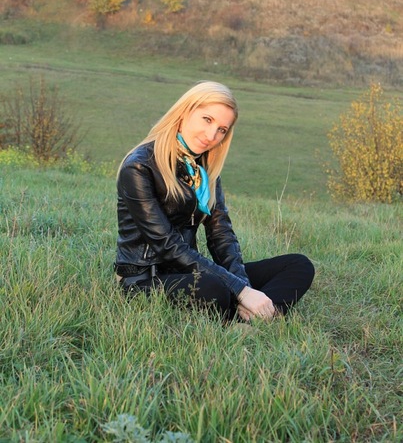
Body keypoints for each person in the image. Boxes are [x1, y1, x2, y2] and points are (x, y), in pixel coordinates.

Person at [115, 81, 314, 323]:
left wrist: (243, 285)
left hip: (190, 271)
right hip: (145, 279)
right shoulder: (139, 166)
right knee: (214, 288)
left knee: (298, 265)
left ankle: (251, 318)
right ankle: (255, 316)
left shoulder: (203, 169)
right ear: (185, 112)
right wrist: (241, 291)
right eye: (207, 120)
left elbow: (221, 235)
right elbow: (167, 245)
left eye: (221, 129)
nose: (211, 136)